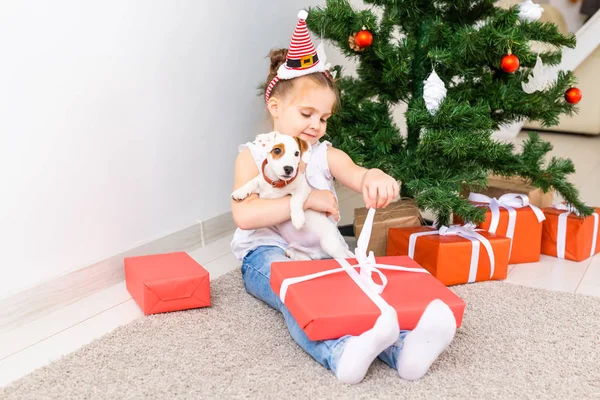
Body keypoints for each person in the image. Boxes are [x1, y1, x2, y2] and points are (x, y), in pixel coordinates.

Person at [230, 10, 457, 385]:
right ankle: (340, 354)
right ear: (275, 107)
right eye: (307, 113)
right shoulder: (251, 156)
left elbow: (356, 173)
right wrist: (304, 200)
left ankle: (404, 350)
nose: (316, 125)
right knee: (299, 296)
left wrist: (376, 177)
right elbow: (246, 216)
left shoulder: (322, 154)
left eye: (324, 117)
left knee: (355, 288)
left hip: (320, 253)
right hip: (266, 253)